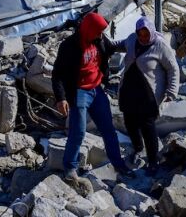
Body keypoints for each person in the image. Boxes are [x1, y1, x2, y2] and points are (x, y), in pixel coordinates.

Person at [52, 12, 133, 182]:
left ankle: (119, 165)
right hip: (79, 91)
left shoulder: (100, 40)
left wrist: (136, 43)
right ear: (89, 29)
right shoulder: (69, 45)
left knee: (108, 130)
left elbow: (112, 47)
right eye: (98, 31)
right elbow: (58, 74)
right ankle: (70, 168)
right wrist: (61, 98)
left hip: (97, 89)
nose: (100, 34)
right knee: (78, 131)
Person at [118, 16, 179, 174]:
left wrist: (171, 91)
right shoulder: (132, 39)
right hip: (130, 89)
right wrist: (105, 45)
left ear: (151, 31)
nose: (143, 37)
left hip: (148, 93)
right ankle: (138, 148)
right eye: (140, 34)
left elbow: (173, 68)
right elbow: (120, 44)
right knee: (130, 122)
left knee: (147, 126)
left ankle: (153, 160)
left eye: (146, 34)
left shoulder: (160, 45)